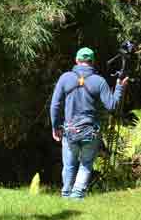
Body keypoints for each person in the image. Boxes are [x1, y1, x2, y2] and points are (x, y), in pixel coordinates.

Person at [49, 47, 127, 199]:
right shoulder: (99, 81)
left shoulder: (65, 78)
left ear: (77, 60)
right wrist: (119, 87)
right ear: (92, 62)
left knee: (69, 165)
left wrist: (55, 126)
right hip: (90, 132)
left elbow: (55, 105)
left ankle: (66, 195)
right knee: (85, 165)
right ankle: (77, 196)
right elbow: (112, 105)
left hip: (69, 130)